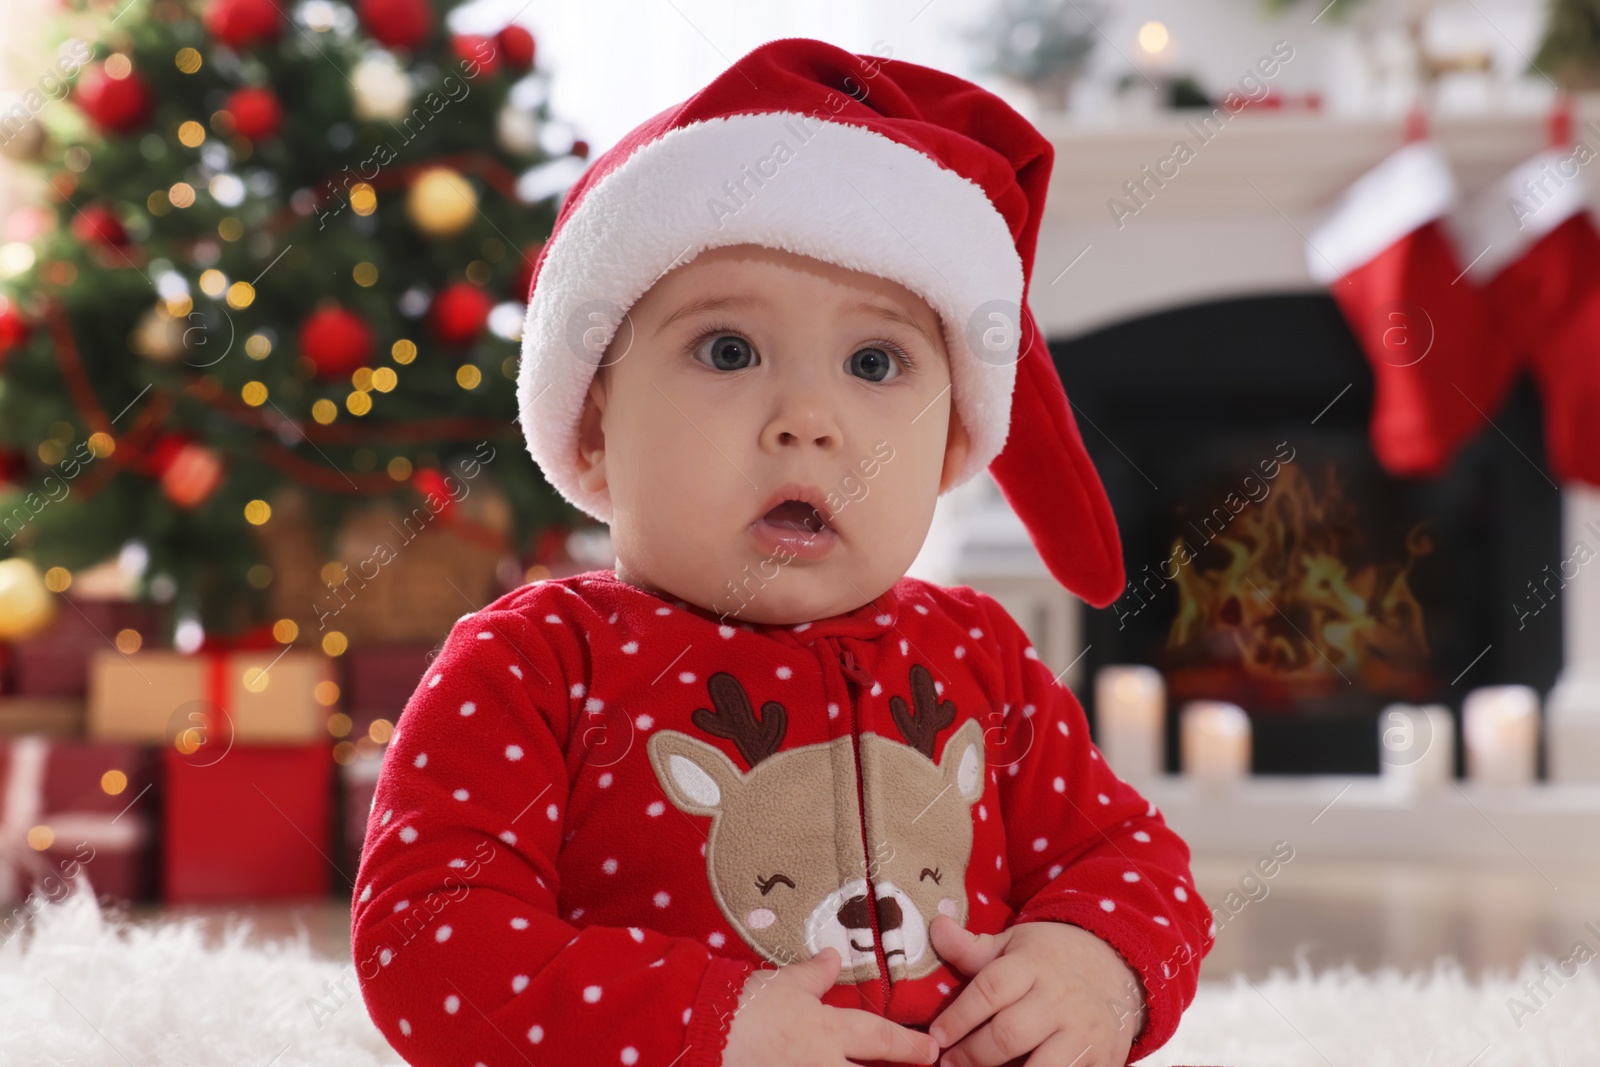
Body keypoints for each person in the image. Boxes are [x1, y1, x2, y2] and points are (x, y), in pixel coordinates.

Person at [352, 36, 1214, 1067]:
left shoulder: (983, 659)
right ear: (590, 423)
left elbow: (1127, 856)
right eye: (727, 349)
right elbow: (428, 936)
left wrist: (1095, 964)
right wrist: (695, 1022)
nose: (808, 418)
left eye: (873, 360)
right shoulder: (536, 666)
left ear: (950, 443)